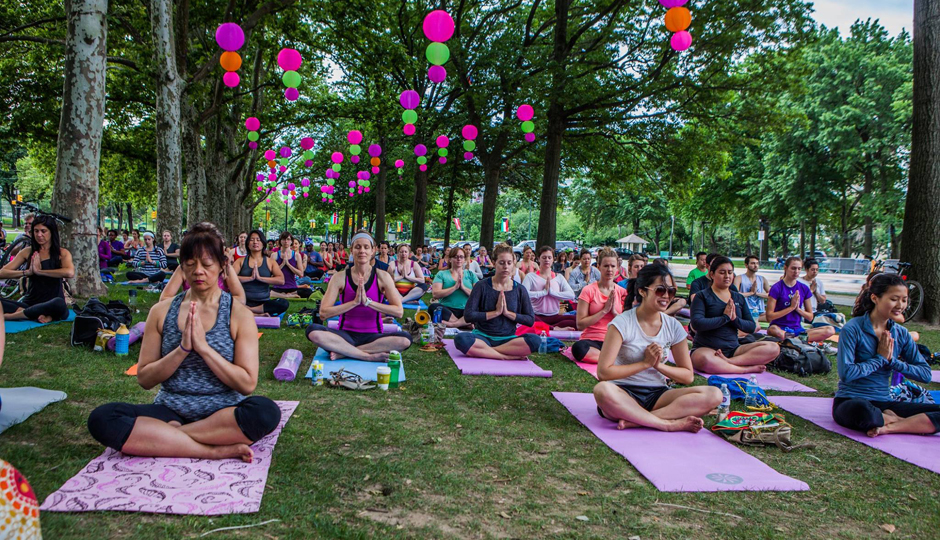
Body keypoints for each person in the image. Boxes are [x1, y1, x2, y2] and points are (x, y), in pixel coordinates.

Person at [87, 223, 281, 462]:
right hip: (171, 410)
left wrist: (204, 349)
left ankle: (168, 438)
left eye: (207, 264)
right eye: (190, 264)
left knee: (265, 413)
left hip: (223, 413)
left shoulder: (238, 314)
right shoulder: (161, 311)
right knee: (103, 418)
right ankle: (211, 450)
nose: (198, 271)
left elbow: (247, 384)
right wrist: (182, 350)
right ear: (182, 268)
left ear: (222, 266)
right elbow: (145, 379)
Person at [593, 264, 722, 433]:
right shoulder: (622, 323)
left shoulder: (673, 326)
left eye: (671, 291)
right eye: (660, 290)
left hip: (659, 394)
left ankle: (637, 420)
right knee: (602, 390)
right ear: (642, 291)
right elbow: (604, 373)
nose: (666, 296)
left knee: (715, 395)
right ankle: (666, 423)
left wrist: (658, 366)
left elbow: (687, 376)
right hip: (623, 391)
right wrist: (645, 364)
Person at [832, 273, 939, 437]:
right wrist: (880, 359)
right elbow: (846, 374)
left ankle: (889, 425)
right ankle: (897, 420)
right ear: (875, 298)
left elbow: (925, 375)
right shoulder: (853, 329)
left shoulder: (901, 334)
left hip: (883, 401)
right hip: (851, 400)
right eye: (894, 299)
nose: (900, 305)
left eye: (904, 300)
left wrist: (892, 361)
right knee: (865, 412)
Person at [306, 230, 412, 361]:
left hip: (373, 337)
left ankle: (345, 352)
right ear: (352, 250)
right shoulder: (340, 277)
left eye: (366, 247)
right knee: (313, 331)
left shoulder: (382, 276)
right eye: (358, 247)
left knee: (405, 339)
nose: (362, 251)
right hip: (345, 336)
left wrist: (368, 302)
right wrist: (354, 302)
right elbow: (323, 313)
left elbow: (399, 311)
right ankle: (367, 356)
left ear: (373, 250)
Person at [690, 256, 779, 374]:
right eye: (722, 272)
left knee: (773, 348)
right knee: (704, 360)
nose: (727, 276)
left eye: (730, 272)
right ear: (712, 274)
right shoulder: (702, 296)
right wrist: (724, 318)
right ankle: (744, 369)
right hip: (707, 349)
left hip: (734, 349)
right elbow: (697, 323)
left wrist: (735, 319)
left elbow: (751, 326)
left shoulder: (738, 297)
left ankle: (729, 362)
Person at [455, 244, 540, 359]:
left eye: (509, 263)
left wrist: (507, 313)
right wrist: (495, 313)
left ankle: (489, 352)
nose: (505, 267)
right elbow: (468, 315)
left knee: (535, 341)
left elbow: (530, 320)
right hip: (482, 337)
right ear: (494, 263)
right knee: (461, 339)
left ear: (513, 265)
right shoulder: (481, 286)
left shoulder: (520, 290)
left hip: (508, 339)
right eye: (501, 263)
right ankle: (505, 356)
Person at [0, 215, 73, 323]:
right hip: (30, 302)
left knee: (60, 304)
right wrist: (27, 272)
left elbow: (69, 272)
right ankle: (33, 313)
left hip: (52, 302)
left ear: (51, 232)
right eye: (36, 231)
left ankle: (14, 316)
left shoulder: (62, 253)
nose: (39, 235)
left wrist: (39, 272)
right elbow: (2, 273)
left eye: (43, 231)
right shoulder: (27, 251)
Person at [572, 248, 627, 363]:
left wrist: (615, 313)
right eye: (606, 266)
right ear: (599, 266)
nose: (609, 269)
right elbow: (580, 325)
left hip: (615, 341)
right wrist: (604, 311)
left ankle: (608, 359)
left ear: (617, 267)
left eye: (612, 266)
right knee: (579, 349)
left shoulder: (622, 292)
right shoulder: (588, 290)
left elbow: (627, 326)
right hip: (592, 340)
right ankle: (613, 360)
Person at [766, 257, 835, 342]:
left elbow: (810, 317)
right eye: (793, 268)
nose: (796, 271)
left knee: (830, 330)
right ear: (785, 268)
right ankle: (797, 340)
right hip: (779, 327)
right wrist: (790, 308)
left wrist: (797, 309)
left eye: (799, 269)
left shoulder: (804, 288)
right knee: (773, 329)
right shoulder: (776, 288)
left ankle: (794, 340)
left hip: (797, 330)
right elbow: (769, 317)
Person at [234, 230, 289, 317]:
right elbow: (229, 278)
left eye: (258, 239)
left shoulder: (270, 261)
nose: (255, 242)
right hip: (243, 300)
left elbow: (281, 280)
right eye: (252, 240)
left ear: (263, 243)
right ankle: (255, 314)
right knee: (225, 300)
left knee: (283, 303)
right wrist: (250, 278)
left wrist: (260, 278)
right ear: (248, 243)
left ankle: (250, 311)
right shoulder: (240, 261)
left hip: (263, 303)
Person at [523, 246, 577, 328]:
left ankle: (548, 327)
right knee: (527, 320)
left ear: (553, 259)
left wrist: (552, 293)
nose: (547, 260)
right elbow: (523, 295)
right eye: (544, 257)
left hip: (554, 316)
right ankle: (553, 328)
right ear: (538, 258)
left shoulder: (558, 277)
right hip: (537, 315)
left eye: (549, 257)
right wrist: (543, 293)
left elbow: (571, 295)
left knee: (575, 321)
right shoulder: (530, 277)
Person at [430, 246, 478, 328]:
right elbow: (435, 294)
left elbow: (478, 296)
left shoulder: (471, 274)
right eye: (456, 257)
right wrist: (454, 288)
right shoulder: (442, 274)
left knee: (482, 309)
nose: (459, 259)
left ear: (464, 259)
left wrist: (463, 288)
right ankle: (464, 324)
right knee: (434, 307)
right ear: (450, 259)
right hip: (448, 310)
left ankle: (454, 324)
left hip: (467, 310)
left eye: (461, 257)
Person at [269, 233, 311, 300]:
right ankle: (287, 296)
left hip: (292, 287)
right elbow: (271, 275)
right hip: (278, 287)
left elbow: (301, 274)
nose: (286, 241)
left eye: (288, 239)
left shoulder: (297, 255)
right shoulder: (274, 255)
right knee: (264, 290)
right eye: (284, 239)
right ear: (280, 241)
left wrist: (288, 264)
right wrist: (282, 264)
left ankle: (281, 295)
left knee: (308, 292)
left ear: (291, 241)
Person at [734, 255, 769, 322]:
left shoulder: (762, 279)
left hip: (760, 311)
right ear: (746, 265)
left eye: (757, 263)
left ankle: (753, 319)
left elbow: (771, 295)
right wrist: (751, 293)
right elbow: (735, 295)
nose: (755, 265)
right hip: (745, 310)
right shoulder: (739, 278)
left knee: (774, 316)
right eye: (753, 263)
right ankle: (752, 320)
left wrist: (757, 293)